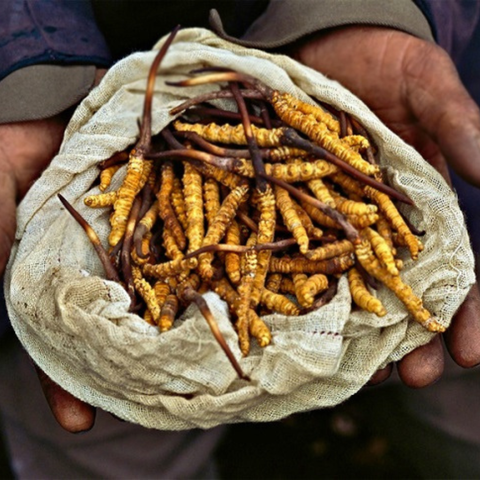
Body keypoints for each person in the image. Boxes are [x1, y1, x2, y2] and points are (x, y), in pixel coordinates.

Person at [1, 1, 480, 477]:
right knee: (116, 417)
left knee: (447, 377)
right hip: (74, 61)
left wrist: (368, 9)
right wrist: (29, 77)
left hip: (411, 47)